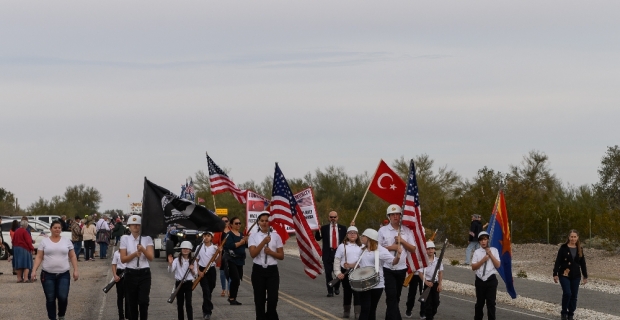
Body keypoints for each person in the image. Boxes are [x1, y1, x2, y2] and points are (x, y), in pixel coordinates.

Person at [32, 220, 79, 320]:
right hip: (47, 274)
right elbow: (39, 256)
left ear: (61, 229)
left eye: (59, 228)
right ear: (51, 229)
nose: (57, 229)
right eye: (55, 228)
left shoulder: (66, 241)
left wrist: (75, 270)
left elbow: (73, 256)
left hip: (63, 274)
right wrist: (34, 270)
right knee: (50, 298)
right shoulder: (44, 242)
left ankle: (61, 315)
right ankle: (52, 318)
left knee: (63, 297)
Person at [378, 204, 417, 320]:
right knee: (391, 295)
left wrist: (402, 241)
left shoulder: (406, 230)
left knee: (397, 296)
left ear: (401, 216)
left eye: (397, 214)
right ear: (388, 216)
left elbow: (413, 249)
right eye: (392, 215)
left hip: (401, 268)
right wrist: (392, 248)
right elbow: (376, 248)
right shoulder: (382, 230)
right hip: (387, 268)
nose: (395, 217)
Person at [358, 228, 402, 320]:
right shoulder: (362, 249)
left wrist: (398, 256)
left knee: (372, 309)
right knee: (365, 308)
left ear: (369, 238)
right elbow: (358, 264)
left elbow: (393, 262)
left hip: (377, 283)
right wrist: (349, 265)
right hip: (363, 282)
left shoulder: (381, 250)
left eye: (364, 236)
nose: (361, 237)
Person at [249, 211, 284, 320]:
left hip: (272, 270)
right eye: (262, 221)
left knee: (273, 299)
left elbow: (281, 255)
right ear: (258, 222)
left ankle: (271, 317)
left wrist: (271, 253)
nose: (264, 223)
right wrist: (263, 242)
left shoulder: (276, 236)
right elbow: (253, 254)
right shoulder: (253, 236)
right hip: (258, 270)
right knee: (259, 299)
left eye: (267, 221)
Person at [120, 214, 155, 320]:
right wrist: (135, 254)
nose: (135, 227)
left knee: (144, 302)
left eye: (138, 225)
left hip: (144, 273)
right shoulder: (125, 239)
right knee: (132, 303)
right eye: (133, 225)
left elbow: (151, 257)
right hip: (131, 273)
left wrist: (143, 249)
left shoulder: (147, 238)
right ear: (129, 226)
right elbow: (123, 259)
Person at [553, 229, 588, 320]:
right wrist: (555, 274)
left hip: (576, 275)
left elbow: (583, 263)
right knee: (567, 293)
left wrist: (585, 276)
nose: (573, 238)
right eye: (571, 237)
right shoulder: (563, 247)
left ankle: (571, 313)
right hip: (564, 274)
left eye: (575, 237)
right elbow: (558, 261)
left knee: (574, 295)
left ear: (577, 238)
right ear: (569, 237)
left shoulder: (580, 249)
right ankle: (564, 312)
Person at [314, 211, 347, 297]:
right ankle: (330, 291)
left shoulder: (343, 228)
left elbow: (348, 238)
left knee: (338, 272)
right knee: (328, 273)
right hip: (328, 253)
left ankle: (336, 286)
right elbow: (317, 238)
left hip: (339, 253)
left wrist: (352, 227)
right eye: (331, 217)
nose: (333, 219)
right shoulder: (324, 228)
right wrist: (318, 230)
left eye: (334, 217)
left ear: (337, 217)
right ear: (329, 218)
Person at [333, 225, 363, 319]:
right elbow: (337, 260)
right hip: (345, 272)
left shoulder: (362, 247)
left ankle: (357, 313)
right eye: (350, 233)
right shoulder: (342, 246)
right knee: (347, 292)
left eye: (354, 233)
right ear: (347, 235)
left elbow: (365, 260)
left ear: (358, 235)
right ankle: (346, 311)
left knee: (357, 292)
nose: (352, 234)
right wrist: (338, 273)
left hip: (358, 272)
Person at [471, 231, 501, 320]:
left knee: (491, 303)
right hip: (480, 280)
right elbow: (473, 267)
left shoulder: (494, 250)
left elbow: (498, 265)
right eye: (481, 240)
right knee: (479, 303)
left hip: (491, 279)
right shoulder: (477, 252)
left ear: (488, 240)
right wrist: (483, 260)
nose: (483, 242)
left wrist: (490, 254)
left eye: (485, 239)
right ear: (479, 241)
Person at [168, 241, 197, 320]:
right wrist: (170, 263)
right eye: (183, 248)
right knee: (179, 304)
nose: (185, 250)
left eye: (187, 249)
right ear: (181, 249)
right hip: (179, 283)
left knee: (188, 303)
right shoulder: (177, 260)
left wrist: (192, 270)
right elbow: (170, 270)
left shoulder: (193, 260)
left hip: (188, 284)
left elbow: (195, 274)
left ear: (190, 250)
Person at [223, 216, 247, 305]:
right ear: (231, 224)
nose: (238, 225)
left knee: (238, 279)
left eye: (239, 223)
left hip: (240, 259)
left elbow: (246, 246)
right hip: (231, 259)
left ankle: (233, 297)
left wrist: (246, 241)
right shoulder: (229, 234)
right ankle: (232, 298)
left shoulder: (241, 234)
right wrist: (240, 242)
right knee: (235, 278)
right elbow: (229, 246)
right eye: (236, 223)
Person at [197, 232, 220, 320]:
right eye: (204, 236)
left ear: (211, 237)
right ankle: (207, 311)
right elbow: (196, 260)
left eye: (208, 236)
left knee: (210, 290)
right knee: (205, 290)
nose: (206, 238)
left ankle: (206, 306)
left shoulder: (214, 248)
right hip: (202, 270)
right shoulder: (199, 247)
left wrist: (220, 252)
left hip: (211, 270)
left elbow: (218, 261)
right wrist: (198, 271)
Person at [418, 241, 443, 320]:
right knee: (427, 303)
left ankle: (430, 316)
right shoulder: (422, 260)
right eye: (428, 249)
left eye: (432, 248)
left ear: (435, 250)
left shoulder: (438, 260)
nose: (430, 250)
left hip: (435, 283)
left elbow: (440, 273)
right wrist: (426, 282)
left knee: (436, 302)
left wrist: (440, 284)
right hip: (426, 283)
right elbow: (420, 273)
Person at [213, 216, 231, 297]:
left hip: (231, 253)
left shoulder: (232, 231)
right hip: (222, 254)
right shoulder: (219, 232)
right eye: (223, 221)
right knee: (222, 272)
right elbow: (214, 241)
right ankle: (224, 289)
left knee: (231, 272)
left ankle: (230, 289)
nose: (225, 222)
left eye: (226, 221)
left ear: (229, 222)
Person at [112, 249, 130, 320]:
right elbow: (113, 265)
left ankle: (128, 314)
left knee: (128, 296)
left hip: (128, 273)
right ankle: (121, 315)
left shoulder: (130, 252)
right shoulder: (116, 253)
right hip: (119, 273)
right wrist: (115, 275)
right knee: (120, 296)